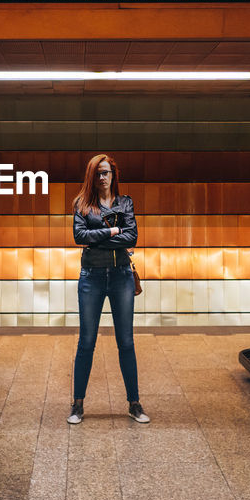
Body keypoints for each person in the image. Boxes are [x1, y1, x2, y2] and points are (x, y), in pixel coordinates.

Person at [68, 154, 149, 424]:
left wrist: (100, 237)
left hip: (121, 276)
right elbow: (80, 237)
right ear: (91, 176)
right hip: (91, 276)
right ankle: (78, 404)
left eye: (107, 172)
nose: (103, 177)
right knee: (86, 342)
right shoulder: (81, 204)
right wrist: (114, 232)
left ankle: (134, 403)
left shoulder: (125, 202)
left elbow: (132, 236)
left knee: (126, 341)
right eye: (98, 173)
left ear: (114, 175)